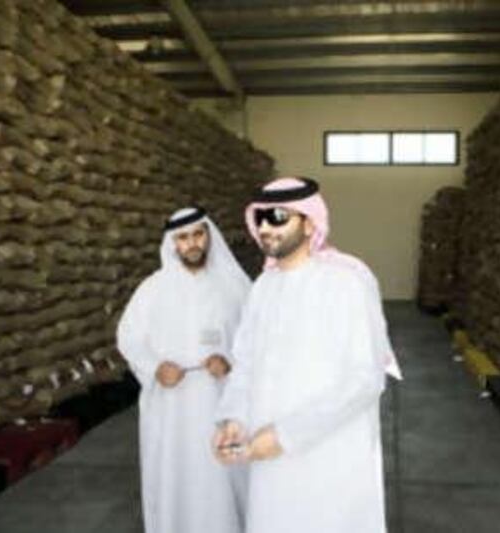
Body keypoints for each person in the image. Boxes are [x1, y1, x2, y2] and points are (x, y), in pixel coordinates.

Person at [213, 177, 401, 533]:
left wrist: (286, 436)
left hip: (331, 456)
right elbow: (246, 363)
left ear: (311, 222)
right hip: (267, 454)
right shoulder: (263, 286)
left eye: (280, 216)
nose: (266, 226)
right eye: (262, 217)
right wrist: (233, 419)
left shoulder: (347, 283)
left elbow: (364, 379)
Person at [117, 206, 250, 533]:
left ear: (208, 236)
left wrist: (229, 362)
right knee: (175, 477)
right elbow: (128, 336)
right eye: (183, 237)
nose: (192, 243)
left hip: (221, 402)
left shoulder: (235, 286)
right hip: (171, 407)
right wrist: (155, 368)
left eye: (198, 234)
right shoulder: (153, 288)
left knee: (223, 477)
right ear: (172, 244)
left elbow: (255, 340)